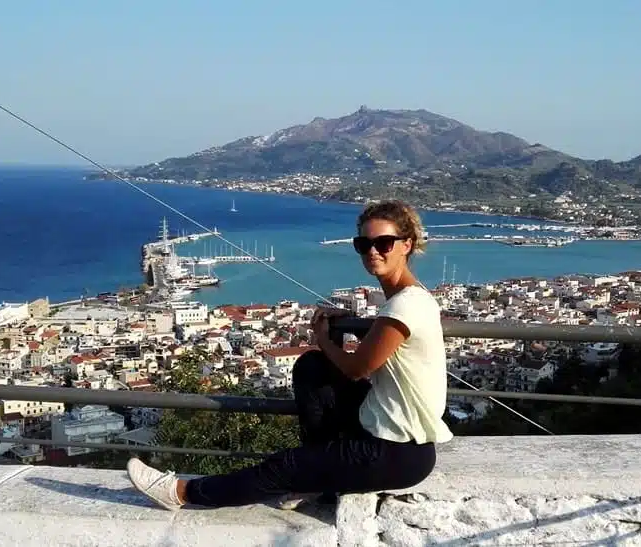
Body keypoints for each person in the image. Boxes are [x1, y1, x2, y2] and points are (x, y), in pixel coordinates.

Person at [126, 199, 453, 509]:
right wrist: (349, 331)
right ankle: (317, 475)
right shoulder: (409, 299)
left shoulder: (405, 305)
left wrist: (323, 337)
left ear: (407, 244)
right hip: (391, 432)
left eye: (383, 243)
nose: (372, 252)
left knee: (285, 466)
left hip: (398, 450)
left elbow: (356, 369)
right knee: (312, 366)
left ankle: (181, 493)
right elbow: (387, 346)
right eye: (363, 244)